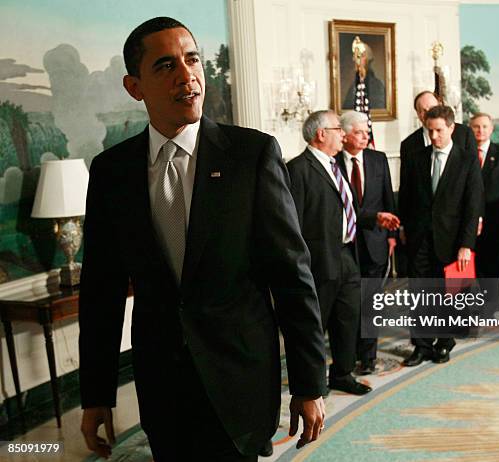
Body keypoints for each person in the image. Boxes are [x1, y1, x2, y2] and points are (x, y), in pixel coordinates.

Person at [78, 17, 327, 462]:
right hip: (162, 386)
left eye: (192, 59)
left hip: (241, 377)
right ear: (135, 86)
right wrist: (96, 393)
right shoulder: (112, 172)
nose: (187, 75)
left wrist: (309, 383)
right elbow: (101, 291)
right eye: (166, 66)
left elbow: (291, 274)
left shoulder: (252, 155)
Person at [286, 110, 399, 395]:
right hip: (319, 260)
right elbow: (292, 222)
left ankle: (342, 374)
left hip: (348, 256)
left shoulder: (334, 166)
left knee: (347, 320)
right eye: (339, 129)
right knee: (315, 326)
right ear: (321, 134)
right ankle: (312, 384)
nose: (344, 134)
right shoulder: (299, 169)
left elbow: (346, 211)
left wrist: (374, 218)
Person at [398, 105, 483, 366]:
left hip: (453, 240)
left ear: (451, 128)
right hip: (419, 238)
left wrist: (466, 245)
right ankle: (422, 346)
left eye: (438, 131)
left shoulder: (467, 160)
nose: (434, 136)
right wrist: (404, 228)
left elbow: (473, 206)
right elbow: (406, 197)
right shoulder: (415, 157)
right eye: (429, 130)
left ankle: (445, 342)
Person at [336, 110, 396, 375]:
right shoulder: (332, 161)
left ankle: (368, 356)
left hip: (376, 243)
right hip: (346, 246)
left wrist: (393, 235)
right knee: (349, 306)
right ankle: (347, 356)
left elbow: (388, 201)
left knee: (371, 303)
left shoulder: (378, 159)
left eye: (366, 132)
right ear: (345, 135)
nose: (365, 137)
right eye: (359, 132)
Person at [470, 112, 499, 315]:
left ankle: (492, 307)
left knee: (494, 265)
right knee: (477, 265)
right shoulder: (464, 154)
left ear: (491, 130)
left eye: (484, 127)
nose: (480, 130)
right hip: (471, 221)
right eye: (476, 127)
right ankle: (482, 304)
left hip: (497, 221)